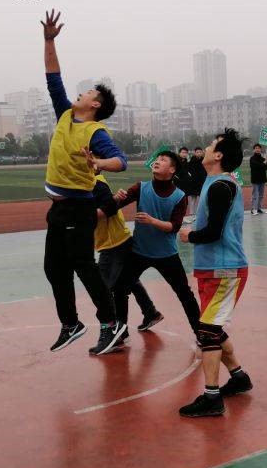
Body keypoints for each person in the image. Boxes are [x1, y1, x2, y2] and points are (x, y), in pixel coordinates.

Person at [40, 9, 128, 355]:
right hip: (58, 209)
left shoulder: (95, 131)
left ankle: (110, 323)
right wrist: (49, 41)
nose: (81, 92)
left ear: (95, 104)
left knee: (83, 266)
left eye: (88, 91)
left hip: (79, 208)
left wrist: (98, 162)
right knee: (53, 267)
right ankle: (71, 323)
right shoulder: (65, 114)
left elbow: (120, 162)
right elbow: (53, 79)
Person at [177, 129, 251, 418]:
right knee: (213, 329)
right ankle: (239, 377)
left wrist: (189, 236)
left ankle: (212, 397)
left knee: (208, 332)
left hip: (225, 269)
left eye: (211, 145)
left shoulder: (222, 186)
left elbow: (213, 232)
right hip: (212, 269)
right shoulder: (213, 182)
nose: (206, 148)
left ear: (218, 155)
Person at [109, 151, 201, 354]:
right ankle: (120, 334)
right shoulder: (141, 187)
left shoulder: (179, 196)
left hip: (167, 254)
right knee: (120, 288)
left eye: (163, 160)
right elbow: (115, 206)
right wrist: (116, 198)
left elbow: (174, 227)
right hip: (139, 251)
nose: (157, 161)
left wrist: (152, 221)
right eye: (157, 159)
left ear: (172, 169)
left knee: (184, 293)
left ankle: (200, 333)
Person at [92, 173, 162, 351]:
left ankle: (114, 333)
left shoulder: (96, 184)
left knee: (103, 289)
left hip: (113, 244)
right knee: (126, 282)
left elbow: (107, 209)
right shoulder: (95, 183)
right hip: (119, 240)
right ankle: (150, 312)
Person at [183, 146, 205, 222]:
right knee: (193, 198)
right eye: (197, 152)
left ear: (202, 152)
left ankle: (199, 214)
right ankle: (192, 214)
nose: (199, 153)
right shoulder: (192, 161)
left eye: (200, 152)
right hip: (193, 183)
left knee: (202, 198)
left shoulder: (204, 160)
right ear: (195, 153)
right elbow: (188, 171)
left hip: (202, 182)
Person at [249, 143, 267, 215]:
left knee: (261, 195)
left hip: (262, 179)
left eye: (259, 148)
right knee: (255, 195)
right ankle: (253, 209)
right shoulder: (252, 158)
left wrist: (265, 164)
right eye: (256, 148)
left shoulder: (263, 159)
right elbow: (255, 166)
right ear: (254, 150)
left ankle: (259, 209)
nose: (257, 149)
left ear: (261, 149)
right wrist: (263, 164)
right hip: (255, 179)